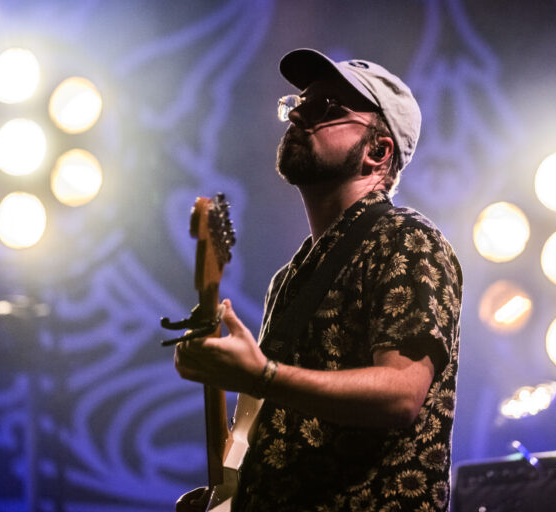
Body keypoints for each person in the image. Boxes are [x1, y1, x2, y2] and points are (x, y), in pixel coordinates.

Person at [174, 48, 462, 512]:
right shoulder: (290, 277)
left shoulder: (407, 238)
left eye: (327, 109)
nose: (301, 116)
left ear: (378, 151)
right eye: (300, 104)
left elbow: (402, 395)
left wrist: (262, 374)